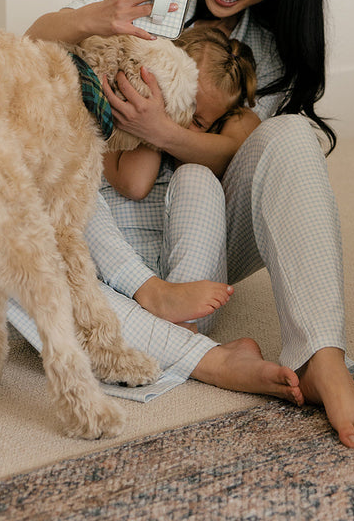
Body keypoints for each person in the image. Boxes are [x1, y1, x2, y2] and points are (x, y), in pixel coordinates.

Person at [25, 0, 354, 449]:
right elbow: (28, 47)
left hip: (196, 236)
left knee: (290, 135)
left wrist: (164, 132)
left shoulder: (265, 50)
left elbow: (245, 151)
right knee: (6, 241)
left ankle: (323, 357)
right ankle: (213, 359)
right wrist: (100, 16)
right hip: (93, 231)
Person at [94, 23, 259, 335]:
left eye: (196, 119)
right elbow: (135, 184)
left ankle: (179, 330)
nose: (181, 120)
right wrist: (156, 115)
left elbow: (241, 142)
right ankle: (179, 342)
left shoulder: (222, 133)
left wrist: (163, 129)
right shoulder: (118, 125)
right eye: (180, 102)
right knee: (71, 185)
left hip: (186, 294)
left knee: (197, 176)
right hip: (117, 283)